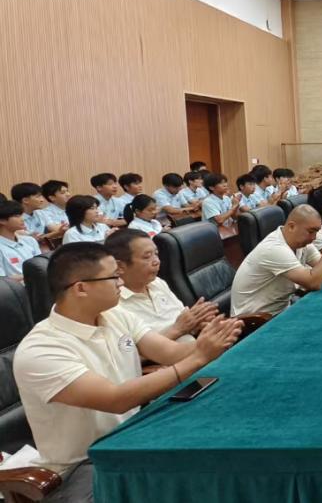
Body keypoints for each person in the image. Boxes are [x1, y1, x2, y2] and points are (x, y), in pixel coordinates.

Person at [13, 243, 241, 502]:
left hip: (134, 436)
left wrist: (211, 341)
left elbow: (170, 353)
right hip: (86, 465)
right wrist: (198, 357)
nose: (121, 282)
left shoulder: (115, 314)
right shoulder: (41, 350)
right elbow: (116, 399)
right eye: (113, 277)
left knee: (219, 454)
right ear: (81, 288)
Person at [104, 229, 218, 343]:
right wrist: (177, 329)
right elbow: (132, 352)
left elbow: (182, 319)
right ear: (120, 266)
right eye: (147, 257)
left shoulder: (157, 283)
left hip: (195, 345)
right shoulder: (112, 305)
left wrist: (196, 322)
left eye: (156, 254)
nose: (156, 261)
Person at [230, 205, 322, 316]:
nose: (314, 238)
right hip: (253, 321)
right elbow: (314, 283)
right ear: (291, 226)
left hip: (280, 312)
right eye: (311, 231)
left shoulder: (302, 244)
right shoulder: (274, 248)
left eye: (316, 232)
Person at [0, 200, 43, 279]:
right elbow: (2, 280)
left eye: (21, 215)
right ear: (2, 220)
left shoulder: (30, 240)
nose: (22, 219)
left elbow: (41, 265)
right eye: (17, 216)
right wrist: (30, 276)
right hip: (16, 286)